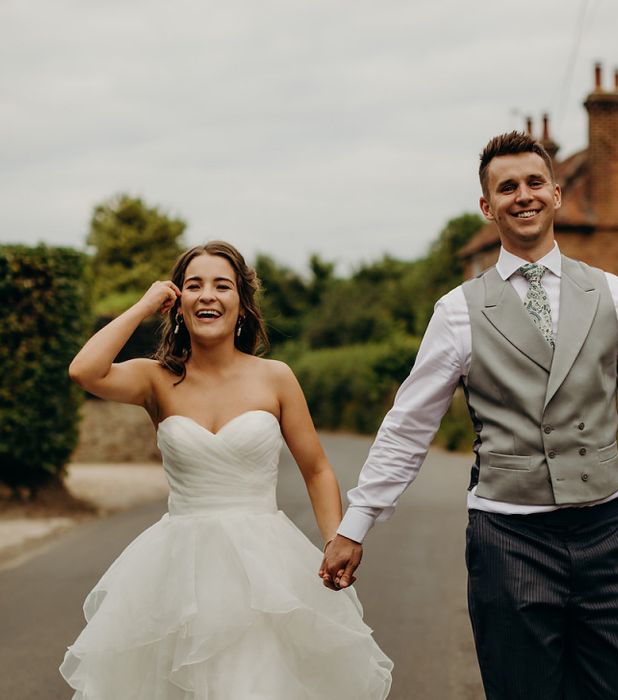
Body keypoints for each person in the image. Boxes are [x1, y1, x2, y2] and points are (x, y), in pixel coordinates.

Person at [321, 132, 618, 699]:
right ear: (488, 208)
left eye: (535, 183)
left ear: (556, 194)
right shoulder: (458, 311)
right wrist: (356, 524)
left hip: (606, 534)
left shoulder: (615, 295)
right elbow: (408, 427)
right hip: (508, 540)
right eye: (507, 188)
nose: (523, 195)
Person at [60, 241, 392, 699]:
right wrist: (143, 304)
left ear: (241, 303)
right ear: (178, 305)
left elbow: (315, 468)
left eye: (222, 285)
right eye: (193, 286)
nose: (208, 295)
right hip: (177, 572)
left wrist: (335, 537)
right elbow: (84, 371)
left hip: (263, 570)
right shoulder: (156, 379)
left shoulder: (275, 377)